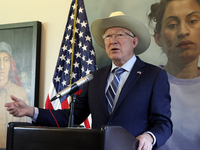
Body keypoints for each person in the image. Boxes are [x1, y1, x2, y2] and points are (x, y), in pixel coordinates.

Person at [5, 11, 172, 150]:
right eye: (108, 36)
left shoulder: (154, 75)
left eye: (120, 35)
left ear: (134, 41)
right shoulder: (95, 77)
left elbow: (163, 123)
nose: (113, 40)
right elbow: (71, 116)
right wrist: (31, 111)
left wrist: (150, 137)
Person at [148, 0, 200, 149]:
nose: (183, 31)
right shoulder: (144, 85)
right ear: (158, 38)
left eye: (193, 21)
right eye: (172, 25)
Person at [0, 42, 30, 148]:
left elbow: (26, 131)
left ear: (11, 64)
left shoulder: (19, 93)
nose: (1, 66)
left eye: (6, 60)